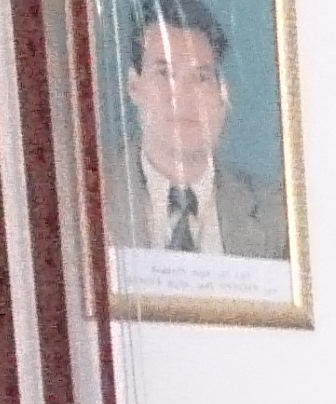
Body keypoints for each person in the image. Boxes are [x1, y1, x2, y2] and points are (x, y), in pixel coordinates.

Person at [103, 0, 287, 260]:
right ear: (134, 86)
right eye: (164, 73)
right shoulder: (91, 195)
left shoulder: (275, 214)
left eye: (201, 77)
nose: (183, 96)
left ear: (223, 93)